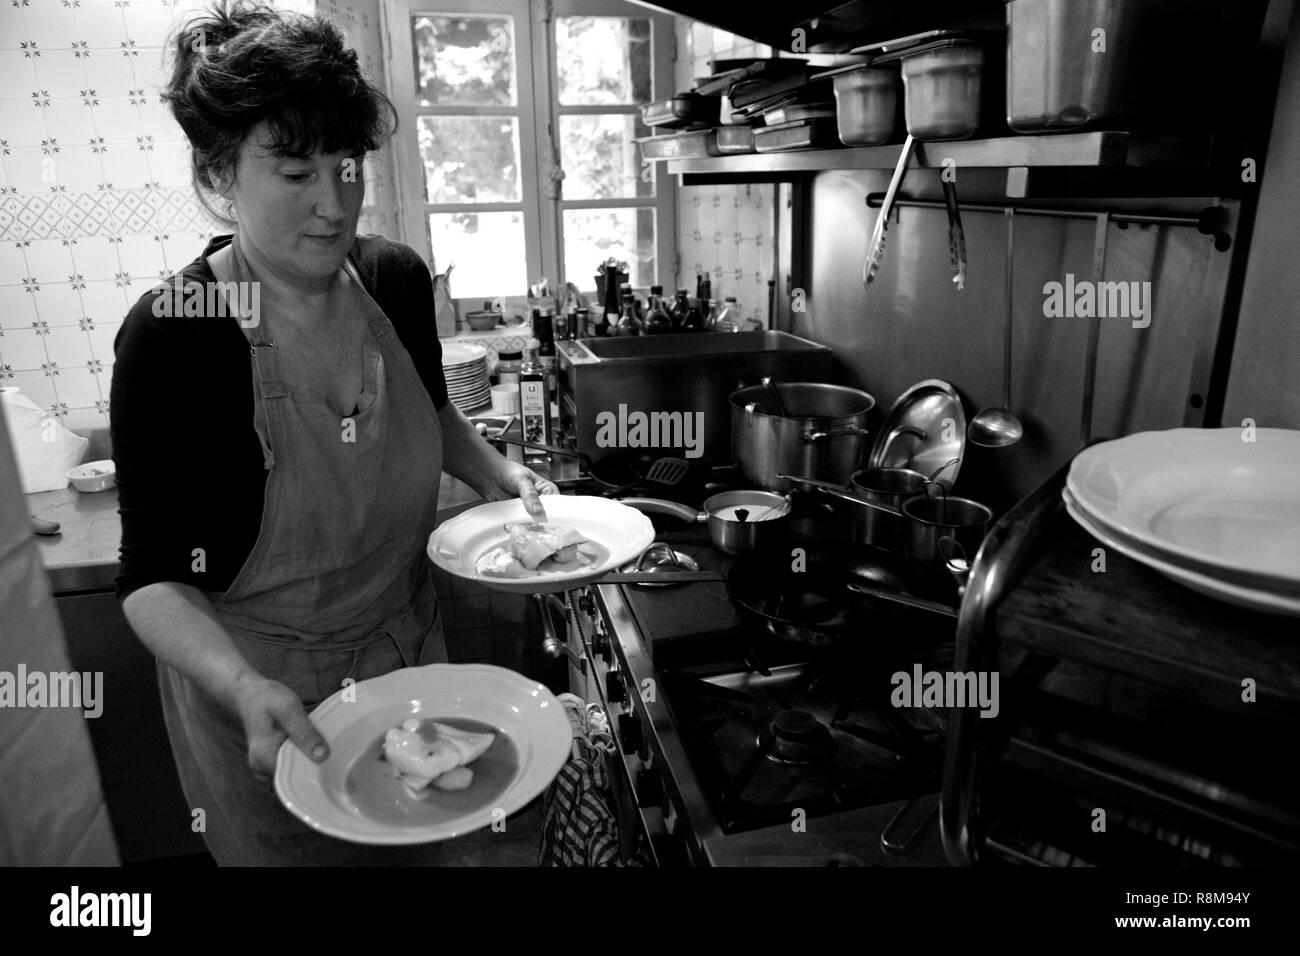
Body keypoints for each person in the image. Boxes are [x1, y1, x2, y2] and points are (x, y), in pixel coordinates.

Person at [110, 0, 555, 865]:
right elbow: (153, 579)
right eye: (294, 170)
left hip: (410, 658)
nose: (333, 202)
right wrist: (241, 685)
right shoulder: (178, 331)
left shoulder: (391, 278)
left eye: (347, 165)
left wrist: (500, 473)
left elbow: (426, 409)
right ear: (221, 172)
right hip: (270, 697)